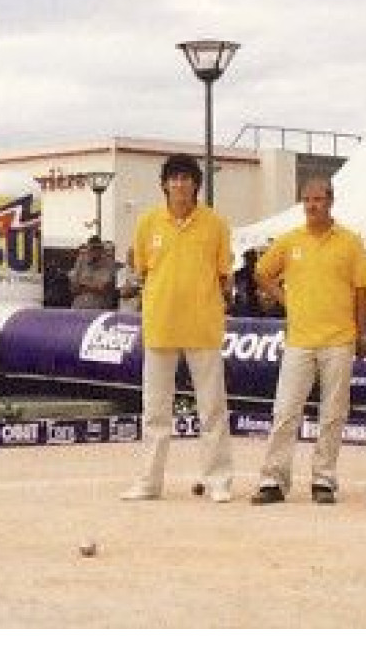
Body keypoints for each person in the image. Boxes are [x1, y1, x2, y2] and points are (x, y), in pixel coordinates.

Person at [248, 178, 366, 506]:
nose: (312, 205)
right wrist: (284, 298)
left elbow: (361, 292)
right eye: (307, 200)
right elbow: (261, 273)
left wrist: (361, 334)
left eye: (318, 199)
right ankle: (273, 479)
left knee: (333, 414)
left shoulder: (351, 242)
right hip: (299, 339)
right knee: (285, 411)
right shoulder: (290, 241)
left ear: (331, 201)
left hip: (339, 340)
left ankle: (324, 480)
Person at [122, 154, 233, 503]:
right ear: (165, 184)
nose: (180, 184)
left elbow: (223, 275)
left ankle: (218, 481)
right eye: (174, 178)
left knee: (212, 409)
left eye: (187, 178)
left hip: (203, 327)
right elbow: (141, 270)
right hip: (160, 327)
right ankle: (148, 483)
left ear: (197, 184)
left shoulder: (216, 225)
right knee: (155, 411)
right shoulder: (147, 223)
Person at [69, 238, 118, 310]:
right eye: (91, 248)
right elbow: (73, 287)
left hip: (99, 308)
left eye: (97, 248)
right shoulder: (81, 261)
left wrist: (84, 285)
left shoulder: (109, 264)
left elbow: (104, 289)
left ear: (101, 250)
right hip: (79, 306)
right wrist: (93, 286)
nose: (94, 252)